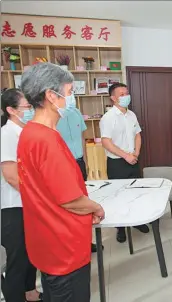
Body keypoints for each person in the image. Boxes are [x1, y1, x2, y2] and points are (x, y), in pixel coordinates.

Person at [18, 62, 105, 301]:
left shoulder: (29, 132)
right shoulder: (46, 141)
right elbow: (70, 200)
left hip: (46, 239)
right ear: (50, 95)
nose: (70, 100)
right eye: (68, 93)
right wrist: (96, 207)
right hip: (63, 245)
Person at [1, 89, 42, 302]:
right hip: (14, 206)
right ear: (10, 110)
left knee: (31, 254)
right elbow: (10, 176)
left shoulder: (25, 131)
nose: (30, 110)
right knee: (17, 260)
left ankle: (31, 293)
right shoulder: (7, 134)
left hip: (29, 204)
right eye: (27, 107)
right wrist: (37, 195)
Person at [100, 82, 149, 243]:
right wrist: (125, 155)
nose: (125, 96)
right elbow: (106, 142)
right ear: (113, 98)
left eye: (126, 93)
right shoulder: (108, 118)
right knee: (118, 196)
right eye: (121, 94)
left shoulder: (131, 115)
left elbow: (138, 135)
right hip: (117, 163)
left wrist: (136, 152)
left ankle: (138, 222)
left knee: (136, 192)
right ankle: (120, 228)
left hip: (133, 159)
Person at [56, 97, 103, 253]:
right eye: (68, 92)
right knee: (69, 204)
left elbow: (82, 138)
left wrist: (86, 160)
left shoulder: (76, 113)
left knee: (83, 202)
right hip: (62, 165)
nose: (71, 96)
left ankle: (86, 242)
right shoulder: (53, 116)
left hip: (79, 161)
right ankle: (70, 244)